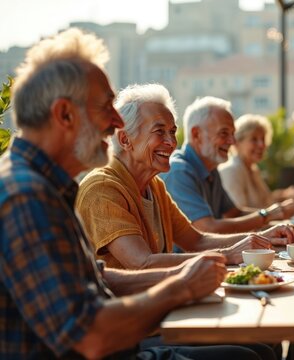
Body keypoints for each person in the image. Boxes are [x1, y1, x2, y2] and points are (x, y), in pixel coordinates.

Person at [0, 28, 273, 360]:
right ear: (64, 115)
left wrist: (203, 268)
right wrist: (182, 286)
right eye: (105, 107)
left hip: (131, 340)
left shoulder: (41, 187)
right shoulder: (27, 197)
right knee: (250, 356)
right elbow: (92, 337)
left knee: (259, 346)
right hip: (119, 348)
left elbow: (97, 277)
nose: (116, 122)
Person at [76, 84, 294, 269]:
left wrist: (263, 238)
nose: (172, 142)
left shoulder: (154, 186)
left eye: (172, 131)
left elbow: (197, 240)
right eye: (159, 131)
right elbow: (142, 263)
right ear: (125, 140)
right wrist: (227, 255)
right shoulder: (103, 188)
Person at [161, 96, 294, 234]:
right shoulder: (179, 171)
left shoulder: (211, 169)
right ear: (197, 134)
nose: (232, 141)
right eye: (224, 133)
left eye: (233, 134)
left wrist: (275, 220)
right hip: (191, 256)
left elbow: (234, 213)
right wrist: (267, 216)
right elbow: (208, 228)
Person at [219, 113, 294, 210]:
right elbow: (238, 216)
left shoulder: (253, 169)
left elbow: (266, 201)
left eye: (263, 139)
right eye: (254, 139)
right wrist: (279, 212)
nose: (261, 145)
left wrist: (285, 196)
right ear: (236, 142)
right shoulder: (231, 171)